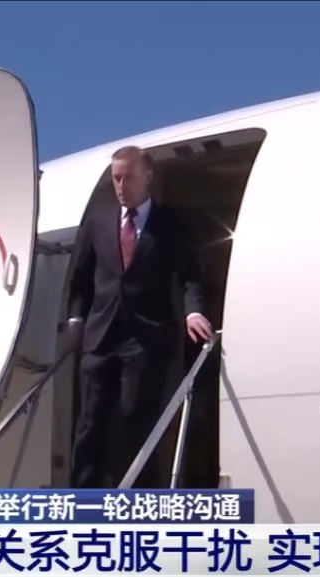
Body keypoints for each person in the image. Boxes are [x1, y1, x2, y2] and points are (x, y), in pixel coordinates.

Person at [66, 145, 213, 489]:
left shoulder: (171, 224)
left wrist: (193, 311)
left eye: (128, 178)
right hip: (100, 338)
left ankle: (136, 499)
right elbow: (80, 279)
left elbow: (189, 276)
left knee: (136, 422)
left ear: (147, 176)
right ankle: (81, 497)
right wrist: (75, 320)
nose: (121, 186)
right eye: (116, 178)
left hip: (145, 339)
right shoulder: (97, 221)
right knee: (90, 422)